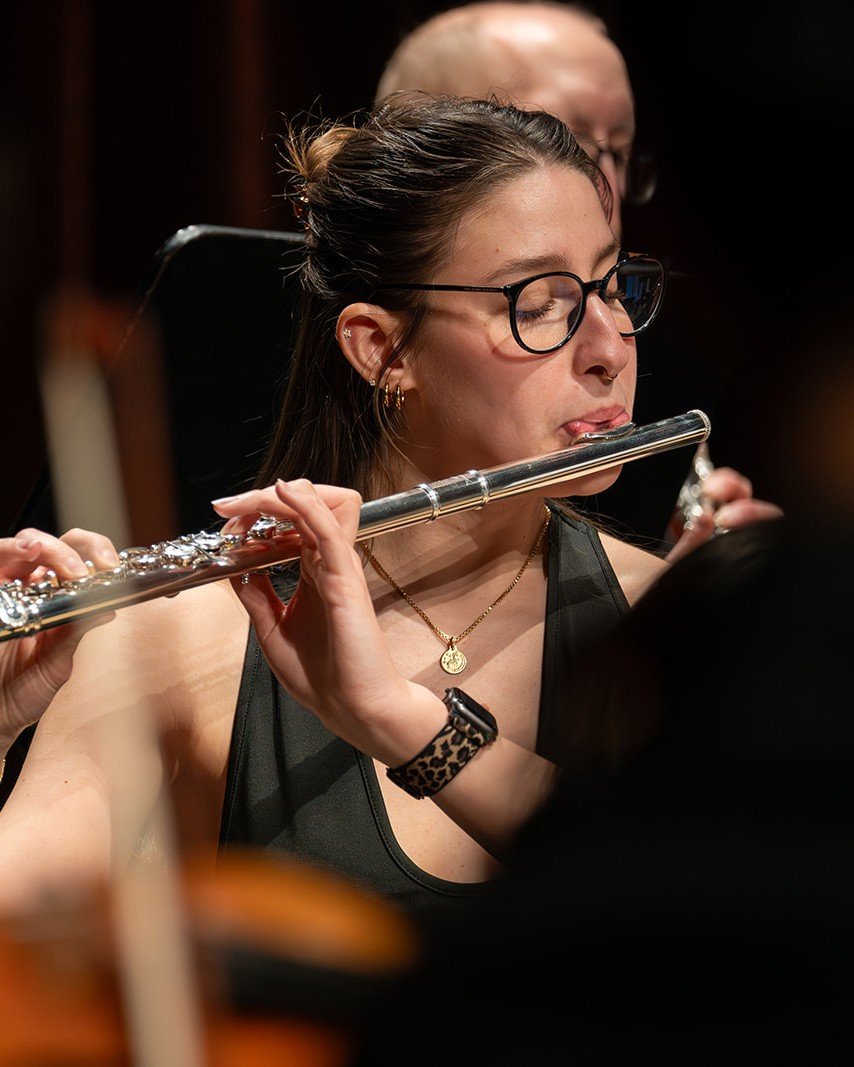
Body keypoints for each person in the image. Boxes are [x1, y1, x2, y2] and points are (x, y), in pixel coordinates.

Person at [0, 93, 689, 919]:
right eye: (540, 304)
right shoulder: (179, 640)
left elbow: (701, 909)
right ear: (382, 349)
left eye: (613, 287)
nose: (610, 347)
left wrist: (396, 716)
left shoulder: (677, 620)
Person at [375, 1, 784, 559]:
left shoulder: (671, 332)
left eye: (620, 150)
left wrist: (671, 581)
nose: (605, 189)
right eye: (565, 140)